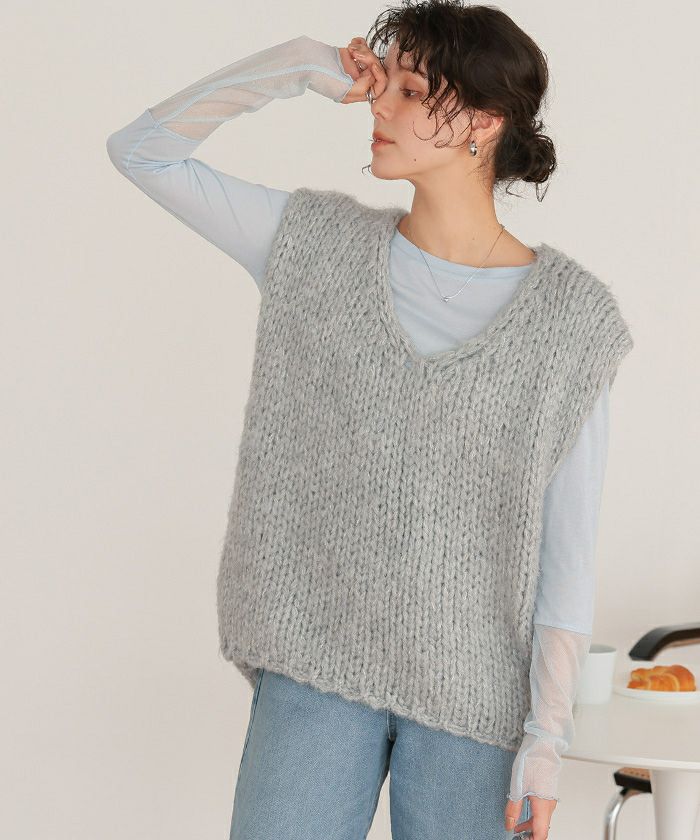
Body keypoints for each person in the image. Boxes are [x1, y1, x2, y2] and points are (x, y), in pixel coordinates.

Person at [106, 3, 633, 838]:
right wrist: (295, 65)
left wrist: (547, 737)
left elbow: (567, 553)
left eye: (412, 90)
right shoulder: (312, 245)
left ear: (484, 122)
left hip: (476, 703)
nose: (379, 104)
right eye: (385, 81)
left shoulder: (573, 323)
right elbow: (141, 151)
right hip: (316, 669)